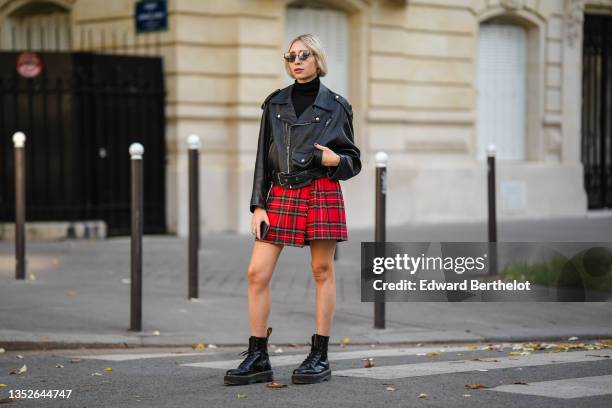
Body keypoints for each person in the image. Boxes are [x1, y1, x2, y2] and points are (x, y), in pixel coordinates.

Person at [223, 33, 361, 386]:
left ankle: (320, 355)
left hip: (320, 189)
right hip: (281, 192)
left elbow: (353, 161)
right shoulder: (274, 104)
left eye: (303, 55)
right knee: (257, 273)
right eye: (290, 56)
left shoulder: (337, 105)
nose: (296, 61)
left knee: (321, 271)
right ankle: (258, 357)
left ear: (317, 59)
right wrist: (258, 204)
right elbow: (261, 158)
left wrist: (336, 160)